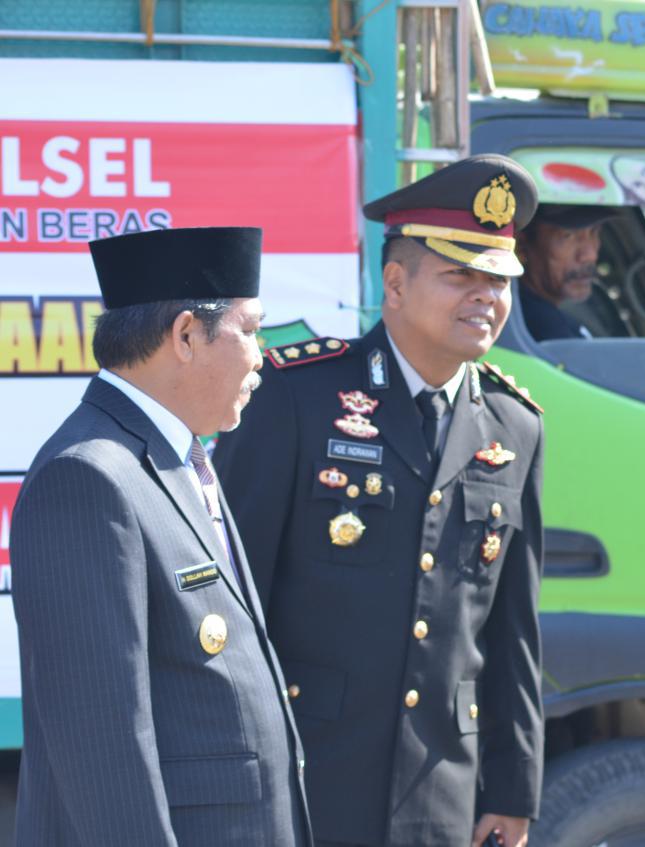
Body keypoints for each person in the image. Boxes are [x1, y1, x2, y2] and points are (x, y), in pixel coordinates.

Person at [214, 155, 545, 847]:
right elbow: (233, 603)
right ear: (395, 283)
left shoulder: (515, 426)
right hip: (307, 774)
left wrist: (513, 789)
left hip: (443, 789)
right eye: (461, 274)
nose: (484, 296)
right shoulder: (299, 397)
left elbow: (513, 627)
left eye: (499, 279)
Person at [10, 226, 311, 845]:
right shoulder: (90, 474)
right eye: (250, 330)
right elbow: (100, 739)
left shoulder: (177, 457)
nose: (263, 355)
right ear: (184, 336)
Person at [514, 203, 614, 340]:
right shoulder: (542, 331)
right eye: (568, 235)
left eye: (594, 232)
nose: (590, 255)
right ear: (521, 243)